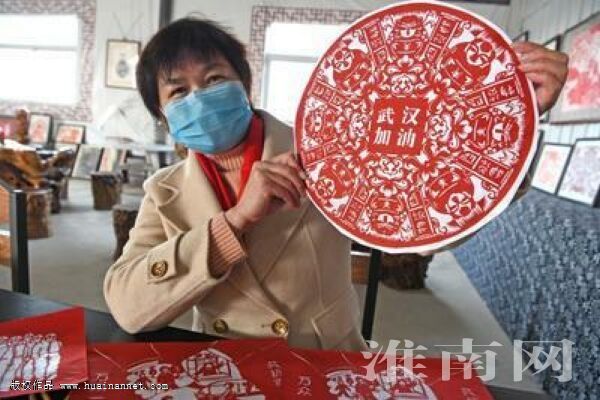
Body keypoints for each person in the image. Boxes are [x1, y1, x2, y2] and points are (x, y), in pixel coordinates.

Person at [104, 17, 568, 351]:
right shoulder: (164, 190)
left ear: (244, 85)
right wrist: (235, 221)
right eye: (179, 91)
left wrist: (512, 131)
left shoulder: (330, 151)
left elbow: (425, 230)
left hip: (326, 361)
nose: (201, 97)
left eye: (214, 78)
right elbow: (128, 305)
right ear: (162, 115)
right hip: (223, 366)